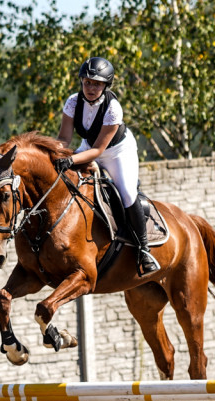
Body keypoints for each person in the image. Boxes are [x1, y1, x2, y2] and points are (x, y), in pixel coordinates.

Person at [54, 56, 159, 275]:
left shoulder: (113, 108)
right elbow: (64, 138)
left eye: (97, 83)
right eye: (87, 82)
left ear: (106, 85)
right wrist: (56, 153)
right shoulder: (73, 102)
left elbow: (99, 151)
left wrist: (72, 159)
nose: (91, 87)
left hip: (117, 152)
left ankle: (144, 250)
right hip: (88, 146)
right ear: (82, 81)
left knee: (128, 193)